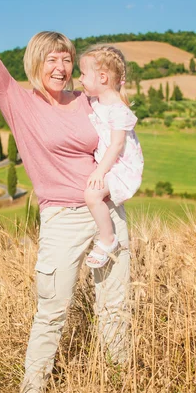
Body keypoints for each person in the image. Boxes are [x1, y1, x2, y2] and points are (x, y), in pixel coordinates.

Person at [0, 0, 131, 393]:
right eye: (52, 59)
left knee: (115, 308)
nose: (61, 67)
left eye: (67, 59)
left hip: (107, 210)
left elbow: (120, 121)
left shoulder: (89, 101)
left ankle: (122, 392)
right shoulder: (17, 101)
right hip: (62, 219)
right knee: (52, 311)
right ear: (35, 63)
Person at [79, 46, 144, 268]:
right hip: (110, 164)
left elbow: (116, 145)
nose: (79, 79)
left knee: (92, 195)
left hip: (119, 167)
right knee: (94, 195)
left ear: (103, 77)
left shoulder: (117, 109)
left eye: (83, 74)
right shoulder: (97, 103)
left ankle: (108, 240)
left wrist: (100, 171)